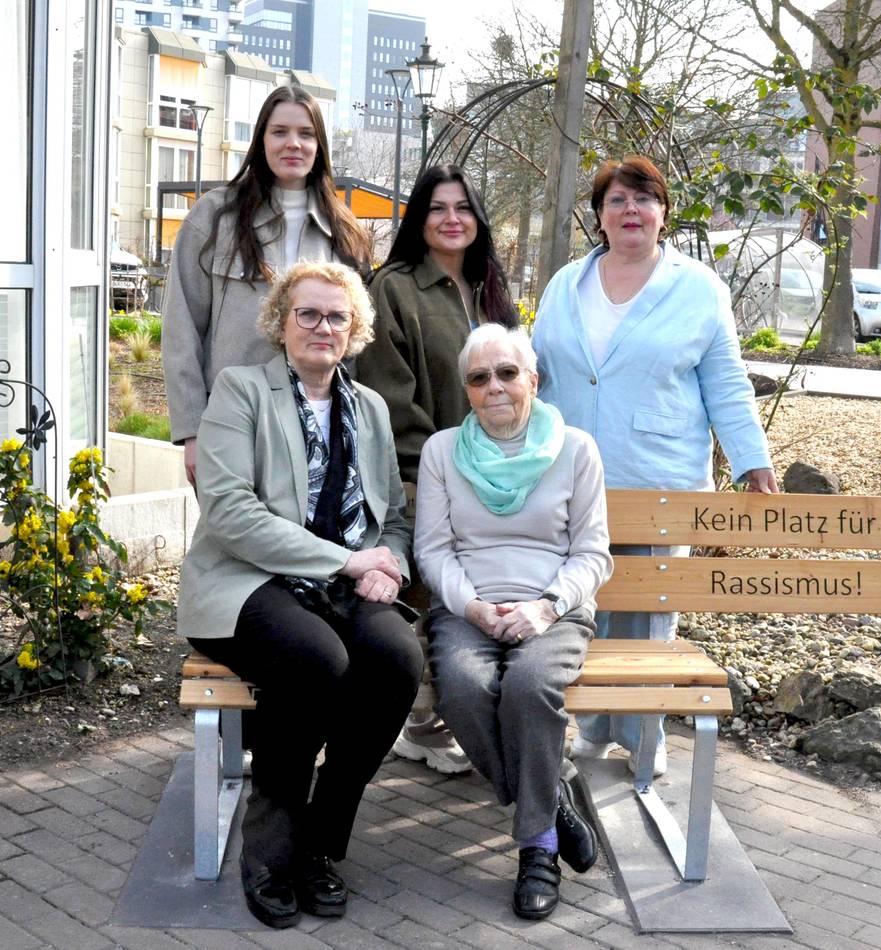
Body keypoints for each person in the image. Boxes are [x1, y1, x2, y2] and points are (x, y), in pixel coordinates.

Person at [178, 261, 423, 929]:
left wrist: (388, 568)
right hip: (246, 581)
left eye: (336, 316)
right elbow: (229, 512)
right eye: (307, 314)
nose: (322, 326)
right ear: (281, 324)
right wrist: (347, 560)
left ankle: (319, 841)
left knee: (398, 663)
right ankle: (269, 848)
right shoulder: (241, 390)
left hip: (341, 587)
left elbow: (392, 520)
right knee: (317, 660)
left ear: (354, 330)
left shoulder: (368, 409)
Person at [532, 154, 777, 778]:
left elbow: (726, 381)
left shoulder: (697, 288)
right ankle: (591, 726)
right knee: (587, 602)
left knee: (648, 609)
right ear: (600, 215)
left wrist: (752, 461)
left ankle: (644, 734)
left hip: (659, 474)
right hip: (573, 476)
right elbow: (540, 372)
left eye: (643, 199)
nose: (631, 210)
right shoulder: (566, 283)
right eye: (617, 200)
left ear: (663, 213)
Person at [414, 324, 613, 920]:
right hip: (467, 607)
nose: (494, 387)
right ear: (467, 390)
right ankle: (553, 802)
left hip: (554, 607)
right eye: (479, 378)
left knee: (529, 689)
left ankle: (539, 849)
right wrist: (471, 605)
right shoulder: (442, 451)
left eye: (507, 373)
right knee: (466, 693)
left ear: (534, 379)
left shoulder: (577, 449)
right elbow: (433, 549)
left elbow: (593, 552)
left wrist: (546, 606)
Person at [355, 164, 518, 774]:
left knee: (489, 587)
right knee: (428, 594)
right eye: (437, 209)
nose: (452, 219)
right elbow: (391, 400)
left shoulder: (491, 291)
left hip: (496, 474)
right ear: (418, 221)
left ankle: (473, 711)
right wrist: (455, 464)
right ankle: (422, 723)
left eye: (463, 207)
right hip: (420, 473)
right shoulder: (394, 288)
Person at [162, 84, 370, 488]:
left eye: (306, 134)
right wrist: (191, 430)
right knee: (232, 542)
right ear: (261, 140)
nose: (293, 143)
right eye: (279, 132)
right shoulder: (215, 217)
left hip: (315, 426)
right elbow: (181, 326)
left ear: (319, 145)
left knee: (304, 546)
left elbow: (353, 343)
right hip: (231, 421)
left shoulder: (344, 232)